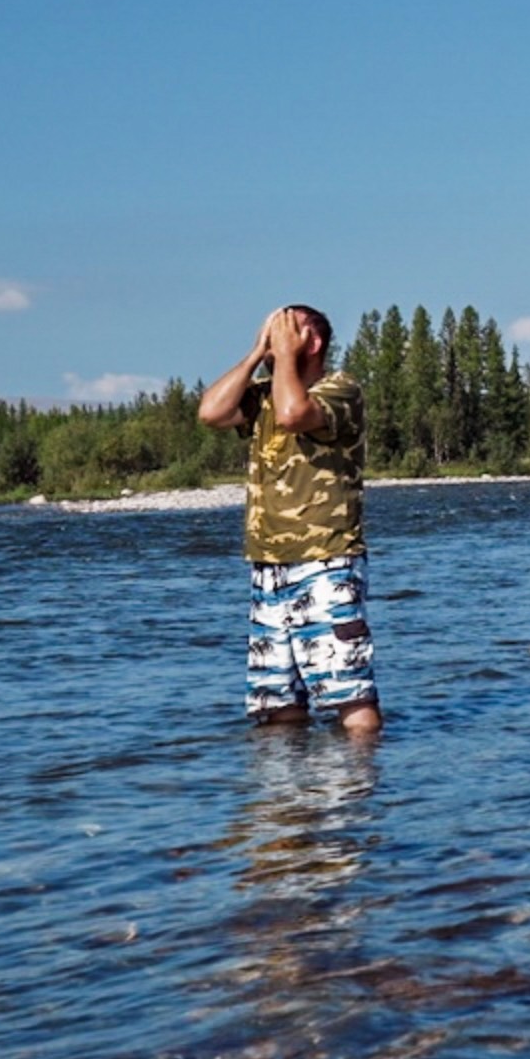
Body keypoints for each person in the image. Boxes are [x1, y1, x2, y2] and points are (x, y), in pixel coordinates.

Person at [198, 305, 383, 736]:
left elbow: (293, 414)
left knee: (349, 692)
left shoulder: (339, 390)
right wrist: (256, 354)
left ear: (312, 342)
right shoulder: (264, 393)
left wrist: (283, 357)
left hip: (325, 562)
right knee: (276, 702)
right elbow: (211, 413)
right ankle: (287, 793)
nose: (273, 339)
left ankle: (355, 793)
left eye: (284, 330)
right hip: (269, 567)